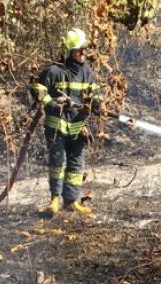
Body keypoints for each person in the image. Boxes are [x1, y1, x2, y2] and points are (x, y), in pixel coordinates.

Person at [30, 28, 104, 216]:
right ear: (69, 51)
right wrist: (51, 104)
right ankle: (54, 199)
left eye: (84, 50)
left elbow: (96, 92)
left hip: (78, 126)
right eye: (79, 50)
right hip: (57, 126)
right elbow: (37, 88)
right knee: (57, 162)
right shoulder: (54, 71)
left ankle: (71, 201)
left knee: (76, 164)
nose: (83, 53)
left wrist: (97, 104)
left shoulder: (88, 72)